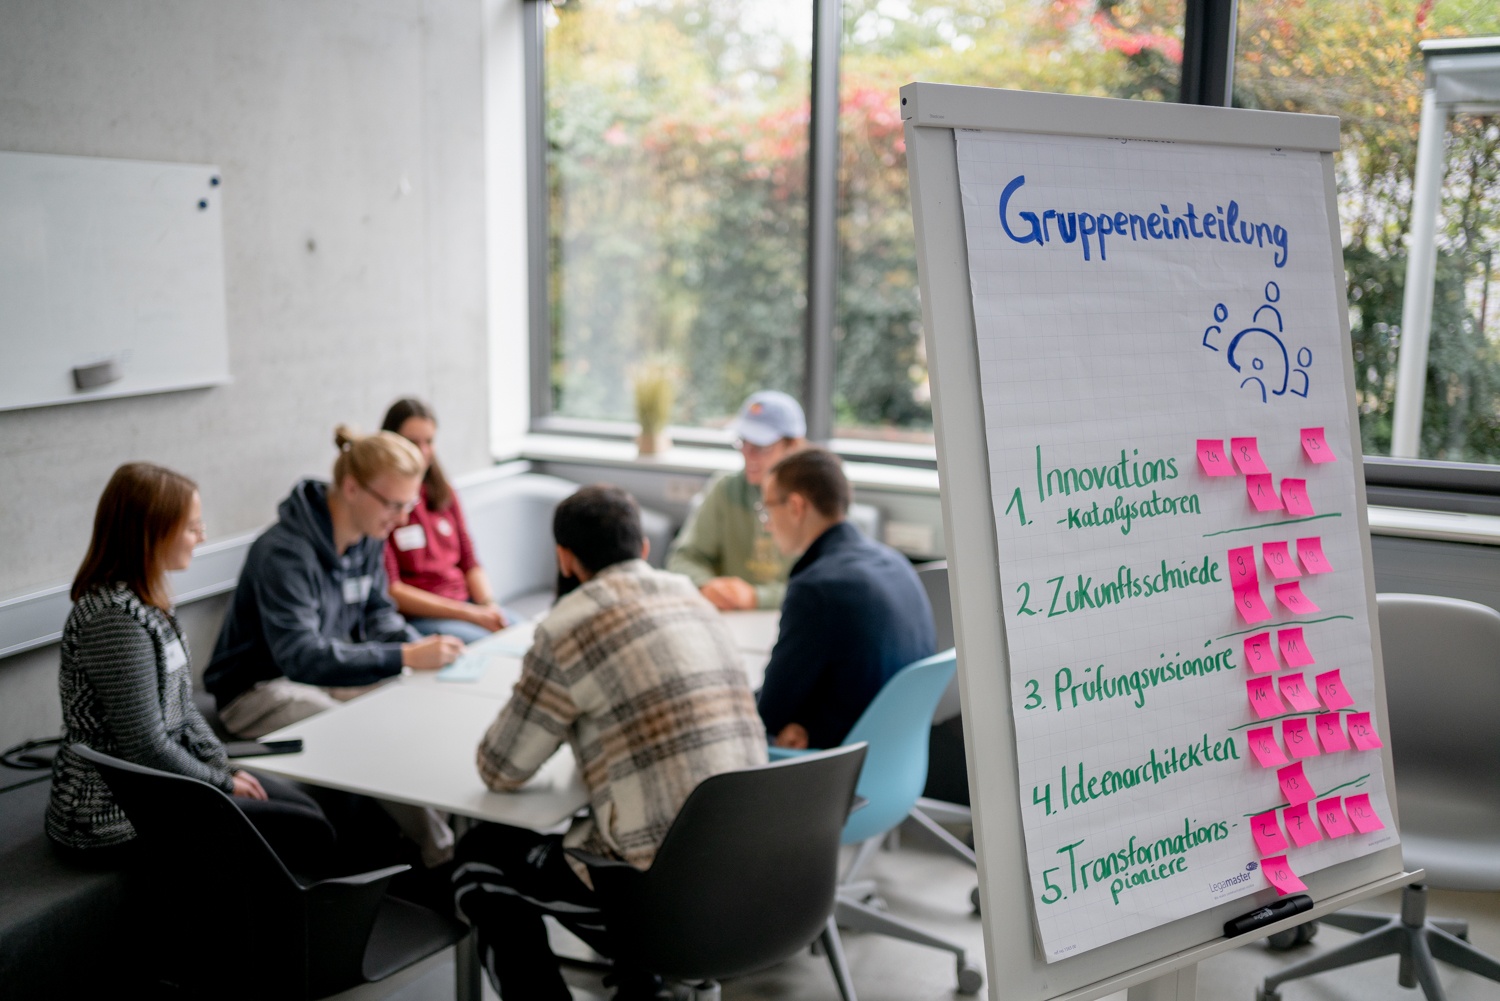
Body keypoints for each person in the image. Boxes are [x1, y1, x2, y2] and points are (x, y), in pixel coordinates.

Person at [451, 484, 768, 1001]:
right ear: (643, 546)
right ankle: (644, 989)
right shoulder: (694, 597)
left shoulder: (567, 626)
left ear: (565, 558)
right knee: (611, 830)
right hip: (760, 874)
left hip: (670, 904)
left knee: (478, 860)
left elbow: (500, 768)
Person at [46, 463, 336, 874]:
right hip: (113, 811)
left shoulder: (147, 601)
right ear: (151, 533)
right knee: (305, 829)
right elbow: (145, 746)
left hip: (159, 786)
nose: (202, 537)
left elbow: (182, 708)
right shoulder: (114, 620)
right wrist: (222, 782)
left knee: (306, 811)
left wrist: (221, 767)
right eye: (192, 527)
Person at [204, 425, 462, 868]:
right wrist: (403, 657)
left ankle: (451, 833)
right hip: (259, 690)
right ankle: (442, 858)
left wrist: (419, 649)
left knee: (424, 702)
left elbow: (379, 615)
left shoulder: (367, 538)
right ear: (352, 488)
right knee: (360, 731)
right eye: (395, 505)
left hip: (328, 673)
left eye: (409, 506)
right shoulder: (284, 553)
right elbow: (300, 656)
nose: (403, 519)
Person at [754, 447, 936, 750]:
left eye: (767, 509)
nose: (767, 524)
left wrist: (801, 726)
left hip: (839, 764)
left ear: (796, 506)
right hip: (896, 754)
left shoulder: (816, 589)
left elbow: (768, 714)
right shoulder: (897, 564)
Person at [380, 397, 509, 642]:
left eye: (429, 442)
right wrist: (470, 615)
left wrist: (488, 605)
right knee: (488, 645)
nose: (422, 451)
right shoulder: (383, 503)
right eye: (412, 443)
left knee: (528, 635)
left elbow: (470, 561)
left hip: (466, 605)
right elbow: (391, 589)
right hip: (425, 616)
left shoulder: (444, 492)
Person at [666, 389, 806, 610]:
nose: (747, 455)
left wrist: (756, 598)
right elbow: (683, 558)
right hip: (729, 619)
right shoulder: (724, 488)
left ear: (793, 446)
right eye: (743, 442)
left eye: (760, 447)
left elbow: (824, 584)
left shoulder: (815, 499)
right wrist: (706, 585)